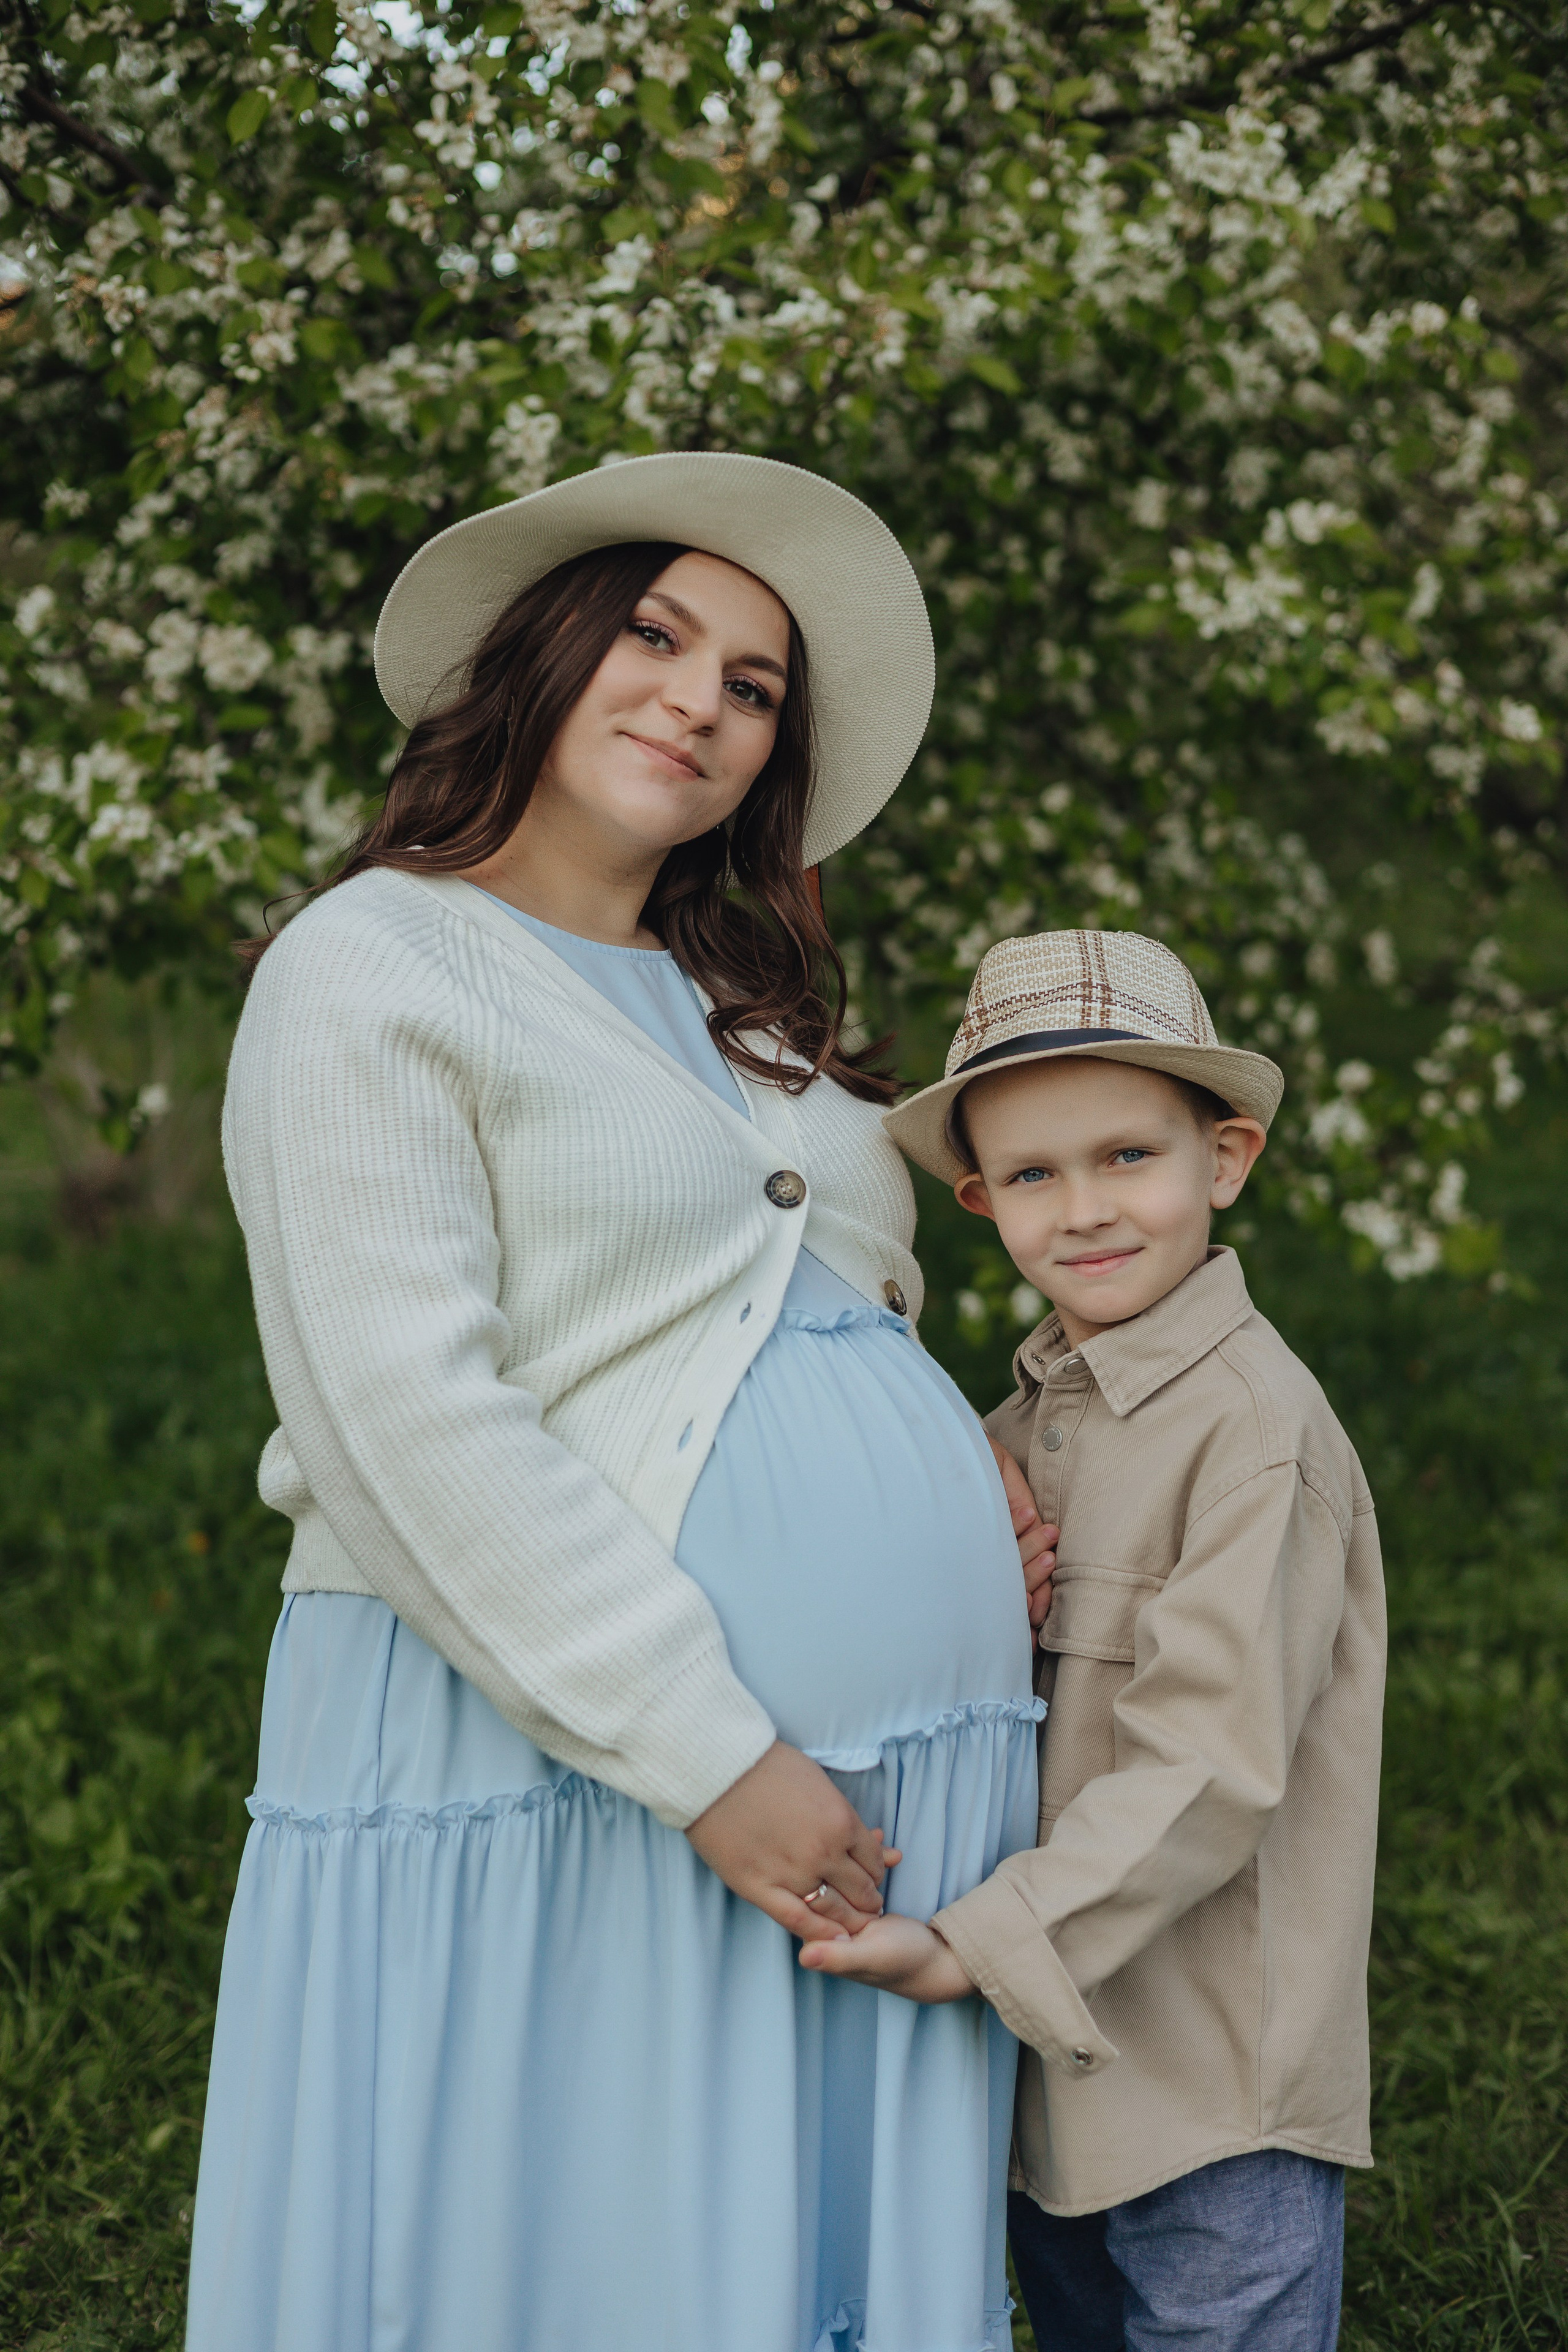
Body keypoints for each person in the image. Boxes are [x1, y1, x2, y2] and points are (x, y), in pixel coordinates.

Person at [184, 452, 1058, 2352]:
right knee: (580, 2249)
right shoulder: (376, 966)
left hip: (888, 1780)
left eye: (755, 686)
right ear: (548, 654)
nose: (702, 701)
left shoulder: (745, 1003)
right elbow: (396, 1413)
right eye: (659, 637)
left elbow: (797, 1308)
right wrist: (704, 1754)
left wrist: (958, 1466)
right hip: (578, 1758)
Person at [805, 929, 1388, 2352]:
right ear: (976, 1200)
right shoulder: (1002, 1433)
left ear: (1224, 1159)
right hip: (1048, 2064)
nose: (1084, 1210)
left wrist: (969, 1945)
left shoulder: (1252, 1438)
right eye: (1032, 1174)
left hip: (1207, 2075)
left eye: (1129, 1156)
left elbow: (1210, 1766)